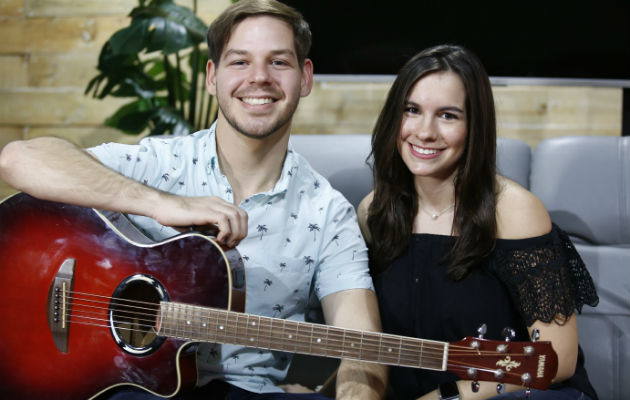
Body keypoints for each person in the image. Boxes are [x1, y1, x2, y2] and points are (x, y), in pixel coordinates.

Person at [0, 1, 387, 399]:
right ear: (212, 76)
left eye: (278, 63)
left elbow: (363, 348)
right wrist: (163, 204)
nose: (259, 78)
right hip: (126, 388)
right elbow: (18, 159)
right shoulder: (159, 163)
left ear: (304, 78)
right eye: (239, 62)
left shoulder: (328, 214)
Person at [357, 44, 599, 400]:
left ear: (475, 127)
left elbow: (557, 358)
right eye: (412, 110)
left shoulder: (514, 211)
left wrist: (446, 397)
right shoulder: (373, 212)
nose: (425, 131)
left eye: (448, 116)